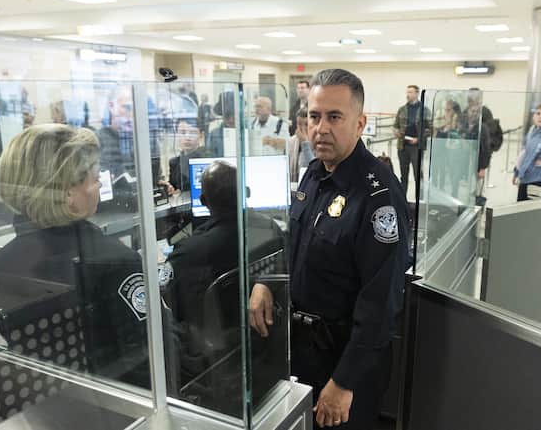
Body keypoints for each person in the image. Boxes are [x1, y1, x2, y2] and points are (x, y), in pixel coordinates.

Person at [248, 69, 409, 429]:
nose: (321, 127)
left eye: (334, 117)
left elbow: (381, 301)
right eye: (314, 116)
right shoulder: (314, 174)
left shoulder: (379, 197)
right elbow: (296, 243)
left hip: (347, 363)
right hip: (304, 350)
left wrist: (344, 382)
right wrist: (267, 282)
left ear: (360, 123)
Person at [0, 124, 151, 387]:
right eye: (95, 177)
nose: (101, 182)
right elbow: (147, 363)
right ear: (69, 193)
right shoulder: (117, 263)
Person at [165, 160, 282, 382]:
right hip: (261, 348)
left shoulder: (188, 252)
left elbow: (172, 307)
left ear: (203, 201)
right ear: (245, 193)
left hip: (212, 364)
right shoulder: (269, 230)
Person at [393, 84, 432, 195]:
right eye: (407, 92)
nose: (408, 95)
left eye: (410, 92)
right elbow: (396, 125)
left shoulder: (424, 110)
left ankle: (420, 200)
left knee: (418, 175)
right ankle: (403, 200)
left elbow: (431, 128)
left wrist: (419, 139)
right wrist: (396, 132)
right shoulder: (402, 110)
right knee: (403, 175)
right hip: (403, 146)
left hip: (416, 147)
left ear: (416, 94)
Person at [163, 118, 207, 194]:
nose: (187, 138)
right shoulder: (174, 162)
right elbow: (174, 187)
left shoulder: (206, 159)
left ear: (201, 135)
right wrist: (168, 187)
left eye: (193, 133)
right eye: (183, 133)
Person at [287, 104, 315, 184]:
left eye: (306, 125)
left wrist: (305, 143)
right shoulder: (291, 142)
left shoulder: (319, 142)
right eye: (299, 124)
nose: (302, 128)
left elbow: (313, 168)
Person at [206, 91, 237, 157]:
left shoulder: (248, 132)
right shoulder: (214, 134)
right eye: (227, 115)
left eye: (234, 115)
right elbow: (210, 157)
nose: (231, 120)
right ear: (222, 115)